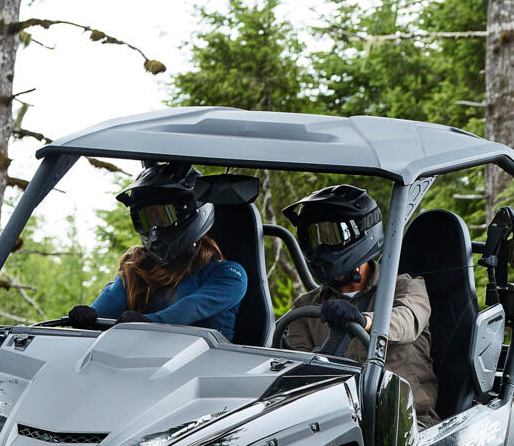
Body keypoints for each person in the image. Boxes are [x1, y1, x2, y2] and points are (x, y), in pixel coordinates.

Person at [279, 185, 439, 426]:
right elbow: (300, 374)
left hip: (408, 424)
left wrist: (364, 321)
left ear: (361, 235)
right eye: (312, 238)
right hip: (334, 423)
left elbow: (406, 320)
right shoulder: (305, 308)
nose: (319, 248)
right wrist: (329, 347)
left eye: (330, 236)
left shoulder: (406, 287)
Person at [87, 162, 246, 339]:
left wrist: (150, 321)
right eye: (146, 220)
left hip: (212, 356)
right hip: (141, 353)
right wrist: (90, 314)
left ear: (191, 213)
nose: (154, 230)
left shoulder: (230, 275)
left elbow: (193, 306)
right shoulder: (138, 267)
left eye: (164, 217)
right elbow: (113, 298)